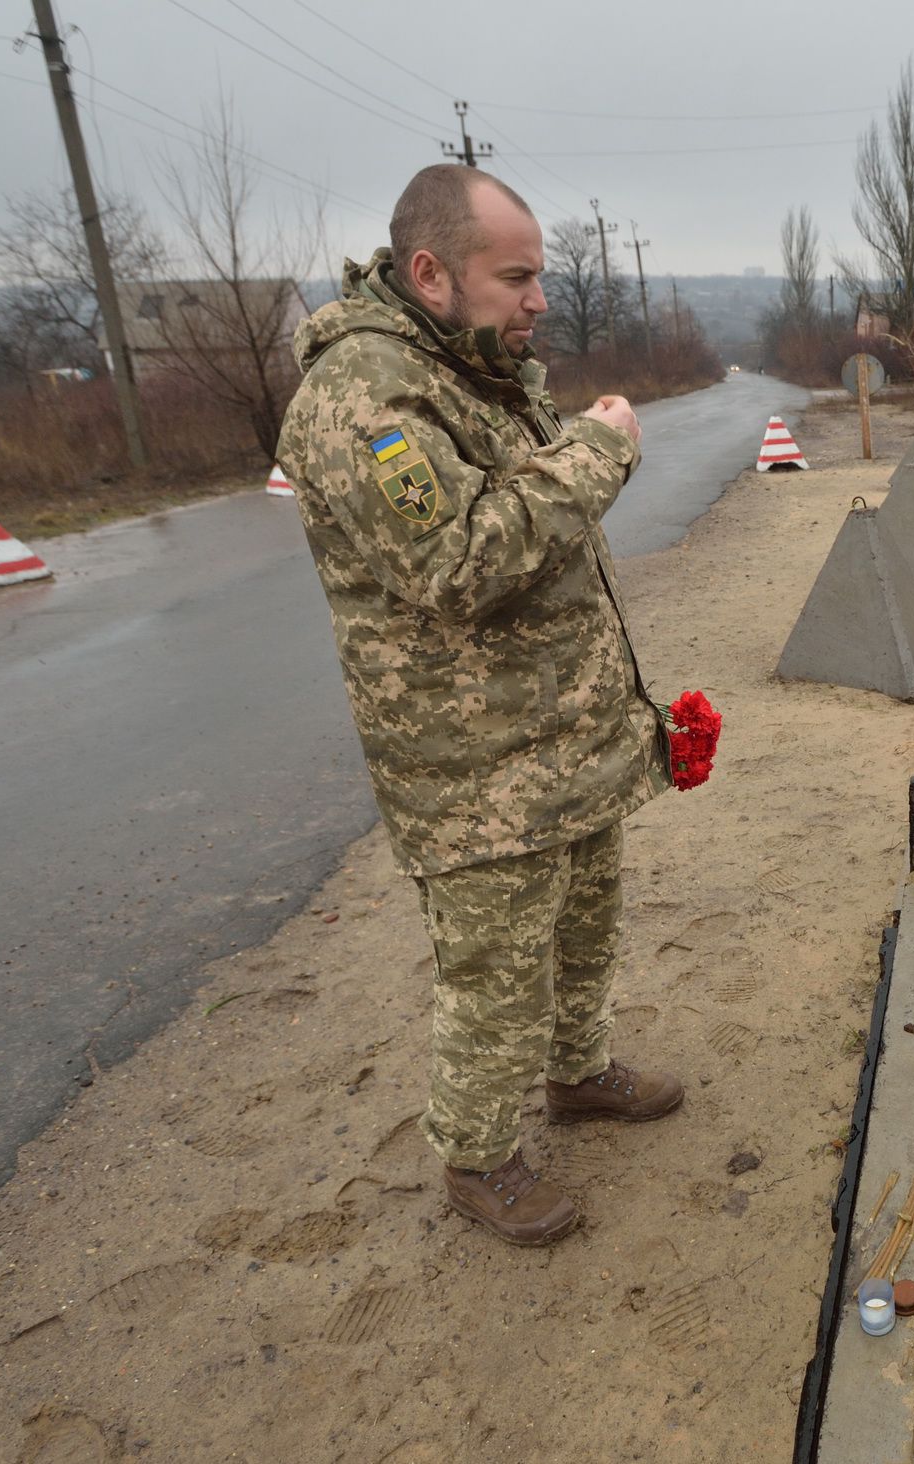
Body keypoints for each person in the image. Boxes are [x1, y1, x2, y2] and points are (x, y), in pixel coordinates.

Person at [275, 164, 681, 1247]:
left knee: (587, 923)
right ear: (430, 274)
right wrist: (598, 450)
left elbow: (535, 520)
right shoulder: (366, 397)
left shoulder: (475, 364)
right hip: (475, 762)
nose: (538, 300)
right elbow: (455, 561)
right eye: (516, 277)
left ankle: (578, 1072)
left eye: (537, 277)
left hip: (560, 736)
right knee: (496, 970)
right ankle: (479, 1156)